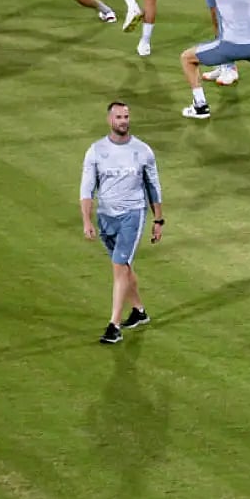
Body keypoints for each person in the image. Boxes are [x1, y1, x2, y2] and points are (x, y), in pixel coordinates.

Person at [79, 102, 164, 345]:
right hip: (106, 217)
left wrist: (158, 219)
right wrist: (87, 220)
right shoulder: (95, 151)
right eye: (119, 117)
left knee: (119, 265)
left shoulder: (143, 151)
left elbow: (153, 186)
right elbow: (87, 189)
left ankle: (114, 325)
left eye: (126, 116)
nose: (123, 121)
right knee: (124, 267)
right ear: (109, 120)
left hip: (132, 214)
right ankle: (139, 311)